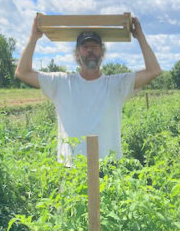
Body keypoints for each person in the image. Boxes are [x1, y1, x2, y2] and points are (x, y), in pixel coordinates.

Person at [15, 15, 161, 166]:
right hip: (71, 168)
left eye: (95, 46)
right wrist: (33, 37)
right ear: (77, 54)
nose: (90, 50)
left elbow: (154, 70)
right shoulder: (61, 82)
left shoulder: (116, 85)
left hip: (109, 168)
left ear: (102, 52)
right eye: (85, 47)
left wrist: (140, 36)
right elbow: (22, 72)